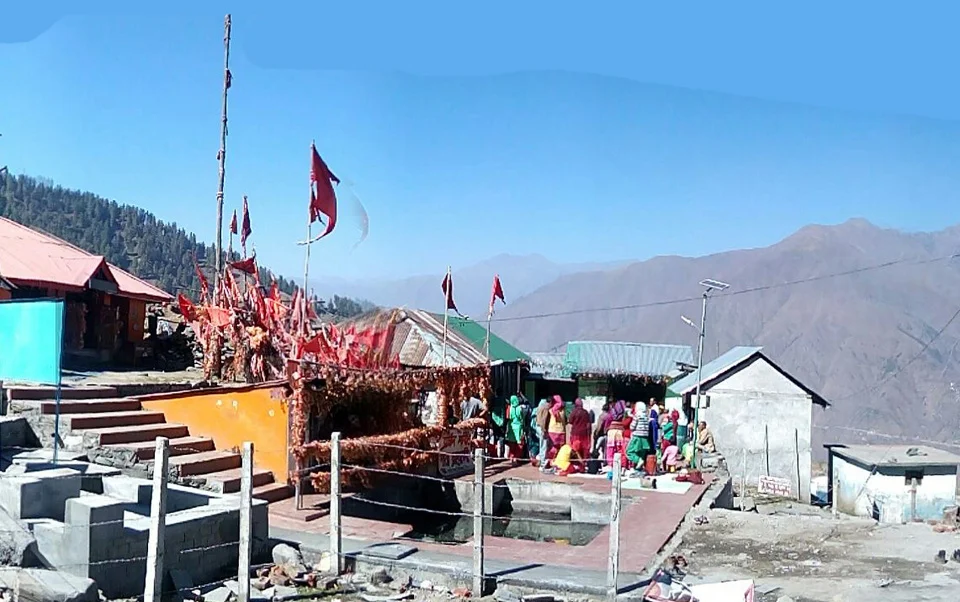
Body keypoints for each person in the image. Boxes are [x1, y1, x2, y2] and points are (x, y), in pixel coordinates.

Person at [626, 402, 652, 471]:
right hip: (645, 437)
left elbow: (632, 426)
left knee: (629, 452)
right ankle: (639, 468)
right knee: (641, 453)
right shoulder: (646, 416)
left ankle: (638, 461)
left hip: (637, 436)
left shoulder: (637, 415)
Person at [568, 398, 592, 463]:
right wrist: (589, 434)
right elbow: (588, 424)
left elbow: (570, 422)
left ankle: (576, 462)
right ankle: (584, 462)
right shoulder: (585, 412)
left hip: (575, 433)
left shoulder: (574, 412)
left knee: (575, 449)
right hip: (584, 433)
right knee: (584, 449)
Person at [504, 395, 526, 461]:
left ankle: (512, 456)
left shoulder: (509, 408)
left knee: (511, 442)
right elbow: (522, 417)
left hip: (511, 426)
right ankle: (517, 457)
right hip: (519, 426)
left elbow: (507, 417)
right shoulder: (520, 408)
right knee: (519, 442)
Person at [535, 399, 552, 471]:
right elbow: (544, 419)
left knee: (541, 444)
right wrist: (544, 429)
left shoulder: (539, 406)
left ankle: (540, 459)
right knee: (544, 445)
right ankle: (543, 464)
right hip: (542, 428)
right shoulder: (546, 407)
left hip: (537, 426)